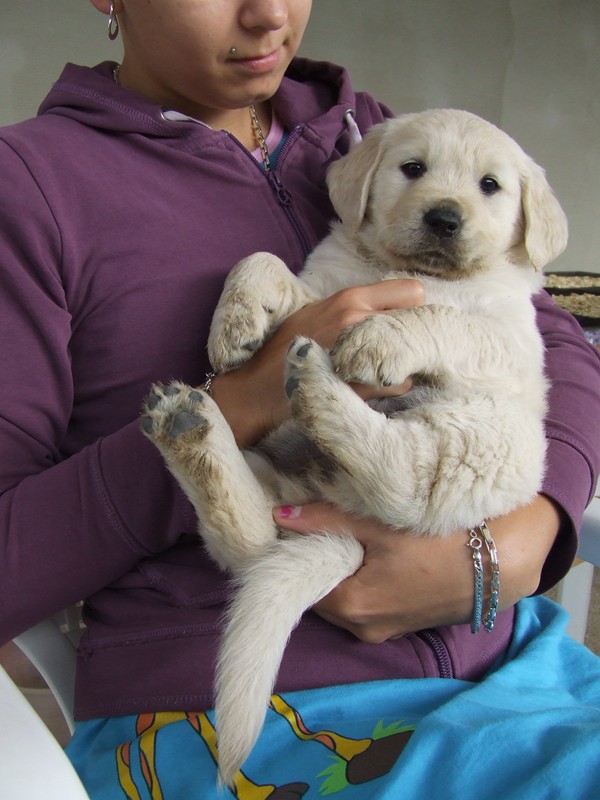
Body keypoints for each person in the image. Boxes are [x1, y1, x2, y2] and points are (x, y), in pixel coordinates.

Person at [1, 1, 599, 797]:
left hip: (511, 662)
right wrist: (241, 405)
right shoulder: (29, 187)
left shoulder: (371, 136)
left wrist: (519, 544)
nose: (269, 13)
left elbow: (551, 339)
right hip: (229, 696)